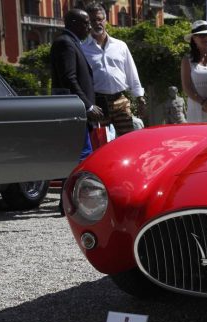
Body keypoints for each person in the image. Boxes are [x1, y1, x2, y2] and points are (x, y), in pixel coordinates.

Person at [50, 8, 103, 215]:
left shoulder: (71, 43)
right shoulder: (65, 43)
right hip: (74, 111)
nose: (90, 27)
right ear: (73, 22)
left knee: (80, 157)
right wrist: (88, 105)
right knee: (81, 157)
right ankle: (70, 202)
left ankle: (68, 202)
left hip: (76, 110)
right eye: (86, 23)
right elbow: (69, 78)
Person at [82, 3, 147, 136]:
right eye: (93, 20)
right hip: (98, 103)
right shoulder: (83, 49)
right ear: (88, 23)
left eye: (100, 19)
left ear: (106, 20)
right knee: (101, 143)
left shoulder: (120, 46)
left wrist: (139, 97)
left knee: (128, 139)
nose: (97, 23)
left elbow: (131, 71)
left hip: (120, 100)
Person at [180, 20, 207, 123]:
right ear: (194, 39)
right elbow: (187, 87)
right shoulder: (187, 60)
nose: (205, 38)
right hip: (195, 111)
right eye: (201, 36)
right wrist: (203, 102)